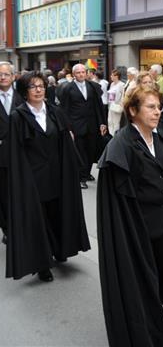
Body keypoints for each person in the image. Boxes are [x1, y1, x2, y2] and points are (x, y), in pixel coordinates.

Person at [97, 87, 163, 346]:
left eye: (159, 107)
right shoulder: (122, 145)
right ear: (133, 111)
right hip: (139, 229)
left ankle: (160, 311)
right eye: (151, 107)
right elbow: (118, 199)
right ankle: (150, 325)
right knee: (144, 279)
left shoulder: (161, 138)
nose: (158, 112)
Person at [6, 72, 90, 281]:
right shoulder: (18, 116)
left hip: (57, 175)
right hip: (33, 178)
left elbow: (65, 145)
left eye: (41, 86)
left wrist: (73, 171)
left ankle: (59, 249)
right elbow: (15, 152)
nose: (38, 90)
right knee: (38, 221)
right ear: (25, 92)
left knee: (57, 214)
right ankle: (42, 264)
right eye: (33, 87)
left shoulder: (55, 112)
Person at [58, 63, 107, 189]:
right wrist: (68, 128)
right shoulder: (67, 88)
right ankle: (81, 177)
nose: (81, 74)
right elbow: (64, 110)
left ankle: (86, 172)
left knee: (91, 151)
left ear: (86, 73)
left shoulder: (93, 86)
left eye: (83, 72)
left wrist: (102, 123)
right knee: (80, 152)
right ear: (74, 74)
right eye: (78, 72)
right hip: (76, 125)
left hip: (92, 125)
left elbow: (99, 107)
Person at [0, 62, 23, 244]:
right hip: (1, 156)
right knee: (3, 194)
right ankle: (7, 228)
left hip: (22, 154)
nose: (3, 77)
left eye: (6, 74)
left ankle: (20, 225)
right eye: (0, 74)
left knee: (20, 192)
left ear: (13, 76)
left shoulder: (22, 97)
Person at [107, 69, 125, 135]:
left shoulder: (121, 85)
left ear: (116, 76)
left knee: (116, 122)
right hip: (111, 105)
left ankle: (116, 135)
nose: (111, 76)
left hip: (117, 106)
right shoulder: (112, 84)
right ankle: (111, 135)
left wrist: (121, 104)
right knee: (110, 121)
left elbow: (123, 96)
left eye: (112, 75)